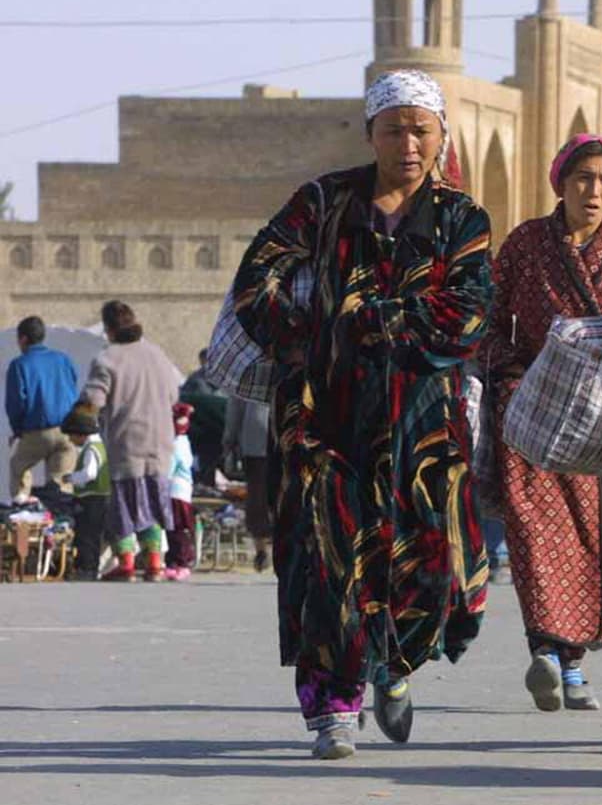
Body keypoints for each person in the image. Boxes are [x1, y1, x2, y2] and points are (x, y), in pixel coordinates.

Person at [232, 69, 493, 759]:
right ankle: (333, 708)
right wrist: (310, 342)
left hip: (423, 422)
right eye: (394, 127)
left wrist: (363, 319)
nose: (408, 142)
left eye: (421, 129)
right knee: (325, 559)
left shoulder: (462, 218)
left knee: (428, 567)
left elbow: (466, 314)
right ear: (369, 132)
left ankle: (395, 664)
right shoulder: (321, 202)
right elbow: (255, 280)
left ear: (440, 135)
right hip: (323, 415)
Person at [481, 133, 602, 713]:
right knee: (537, 535)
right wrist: (509, 383)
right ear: (562, 183)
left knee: (598, 542)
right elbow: (491, 319)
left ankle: (572, 663)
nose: (594, 191)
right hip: (539, 416)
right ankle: (547, 653)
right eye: (583, 179)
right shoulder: (528, 243)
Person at [81, 301, 181, 583]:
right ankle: (154, 561)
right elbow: (174, 396)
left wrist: (77, 421)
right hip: (160, 441)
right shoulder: (158, 354)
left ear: (108, 328)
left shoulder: (107, 359)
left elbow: (93, 400)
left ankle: (125, 562)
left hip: (126, 441)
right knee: (154, 499)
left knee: (124, 501)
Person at [6, 315, 78, 501]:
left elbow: (16, 403)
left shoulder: (19, 364)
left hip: (38, 431)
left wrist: (18, 430)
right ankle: (62, 521)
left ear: (23, 339)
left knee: (19, 467)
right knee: (60, 484)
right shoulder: (63, 359)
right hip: (68, 432)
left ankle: (22, 512)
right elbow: (73, 386)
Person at [221, 394, 274, 572]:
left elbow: (235, 406)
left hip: (255, 439)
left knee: (257, 496)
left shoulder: (248, 367)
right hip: (287, 437)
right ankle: (287, 547)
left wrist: (229, 439)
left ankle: (261, 548)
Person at [59, 402, 110, 581]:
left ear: (81, 433)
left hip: (92, 499)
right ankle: (90, 568)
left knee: (87, 536)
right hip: (100, 498)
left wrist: (71, 478)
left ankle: (86, 569)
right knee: (93, 536)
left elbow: (89, 474)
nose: (71, 440)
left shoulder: (91, 449)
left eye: (72, 436)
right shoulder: (100, 445)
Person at [181, 349, 227, 487]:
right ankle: (205, 481)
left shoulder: (224, 380)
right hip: (202, 427)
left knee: (211, 457)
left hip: (216, 426)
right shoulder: (196, 380)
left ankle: (207, 481)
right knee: (207, 457)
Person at [163, 403, 196, 581]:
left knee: (177, 529)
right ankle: (175, 561)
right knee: (176, 528)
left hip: (175, 490)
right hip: (180, 490)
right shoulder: (184, 441)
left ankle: (181, 562)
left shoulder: (176, 444)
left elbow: (170, 467)